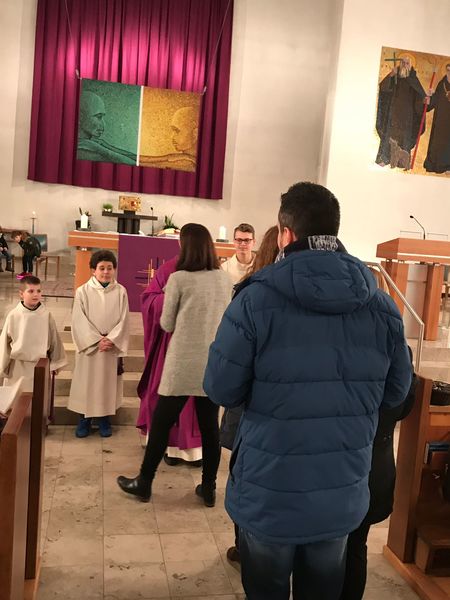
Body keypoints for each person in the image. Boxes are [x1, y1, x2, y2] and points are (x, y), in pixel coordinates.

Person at [204, 182, 412, 600]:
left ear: (286, 234)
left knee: (265, 588)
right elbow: (396, 394)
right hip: (340, 488)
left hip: (269, 489)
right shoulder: (382, 306)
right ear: (335, 230)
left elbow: (221, 388)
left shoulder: (254, 300)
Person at [117, 223, 232, 506]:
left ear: (186, 246)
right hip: (212, 363)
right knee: (210, 428)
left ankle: (144, 482)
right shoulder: (224, 279)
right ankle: (209, 489)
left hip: (182, 364)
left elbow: (166, 323)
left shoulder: (179, 279)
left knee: (160, 423)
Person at [219, 224, 279, 565]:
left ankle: (244, 545)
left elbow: (225, 377)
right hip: (283, 411)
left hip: (250, 406)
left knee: (245, 477)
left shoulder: (249, 293)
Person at [340, 346, 416, 600]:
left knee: (325, 550)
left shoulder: (344, 349)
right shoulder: (399, 352)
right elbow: (404, 406)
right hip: (377, 465)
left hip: (342, 466)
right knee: (356, 547)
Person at [136, 255, 203, 466]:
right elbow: (149, 300)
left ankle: (195, 451)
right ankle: (171, 449)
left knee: (192, 400)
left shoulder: (211, 271)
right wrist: (170, 298)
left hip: (193, 344)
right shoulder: (169, 268)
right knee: (174, 396)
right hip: (175, 344)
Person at [67, 250, 130, 438]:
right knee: (86, 383)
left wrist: (112, 339)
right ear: (93, 270)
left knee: (106, 385)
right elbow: (78, 320)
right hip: (90, 348)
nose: (106, 272)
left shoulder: (120, 291)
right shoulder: (83, 291)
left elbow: (124, 319)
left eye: (109, 268)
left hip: (110, 346)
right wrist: (95, 340)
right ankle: (84, 420)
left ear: (114, 269)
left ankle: (104, 419)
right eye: (101, 268)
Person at [0, 275, 66, 392]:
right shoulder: (14, 315)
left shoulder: (46, 315)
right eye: (31, 291)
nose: (35, 294)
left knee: (38, 398)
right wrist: (2, 366)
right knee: (16, 398)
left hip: (40, 365)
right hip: (18, 366)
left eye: (38, 291)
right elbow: (4, 343)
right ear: (21, 294)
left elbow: (54, 340)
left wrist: (55, 362)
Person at [375, 56, 428, 169]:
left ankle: (402, 162)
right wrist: (391, 75)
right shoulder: (395, 76)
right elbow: (383, 88)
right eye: (402, 62)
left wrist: (424, 100)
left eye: (407, 63)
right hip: (393, 114)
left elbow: (420, 97)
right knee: (390, 136)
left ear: (411, 65)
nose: (404, 64)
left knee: (404, 138)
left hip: (407, 117)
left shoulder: (413, 79)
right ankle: (385, 158)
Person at [77, 91, 137, 165]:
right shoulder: (83, 151)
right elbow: (133, 163)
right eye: (99, 117)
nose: (103, 124)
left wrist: (107, 146)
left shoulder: (92, 144)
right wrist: (99, 148)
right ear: (80, 117)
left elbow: (138, 161)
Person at [139, 105, 199, 172]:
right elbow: (166, 158)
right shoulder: (186, 158)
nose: (172, 137)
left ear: (195, 134)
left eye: (177, 131)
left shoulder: (189, 164)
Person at [424, 63, 450, 174]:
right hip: (440, 120)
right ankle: (439, 165)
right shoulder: (441, 84)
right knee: (438, 143)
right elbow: (434, 100)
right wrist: (429, 98)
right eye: (448, 70)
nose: (449, 72)